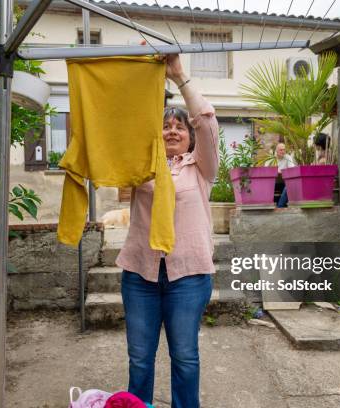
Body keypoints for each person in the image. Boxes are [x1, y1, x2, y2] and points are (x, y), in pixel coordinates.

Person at [115, 53, 219, 408]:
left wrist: (177, 76)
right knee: (140, 359)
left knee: (186, 357)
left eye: (179, 127)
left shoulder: (202, 168)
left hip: (188, 276)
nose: (172, 131)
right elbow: (122, 130)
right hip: (140, 274)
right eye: (165, 126)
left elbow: (206, 122)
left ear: (189, 138)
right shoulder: (142, 166)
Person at [273, 142, 295, 208]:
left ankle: (279, 206)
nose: (283, 151)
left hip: (285, 182)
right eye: (281, 150)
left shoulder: (288, 157)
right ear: (276, 150)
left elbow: (292, 170)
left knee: (289, 186)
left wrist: (280, 172)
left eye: (284, 150)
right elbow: (266, 171)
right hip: (273, 182)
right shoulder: (271, 158)